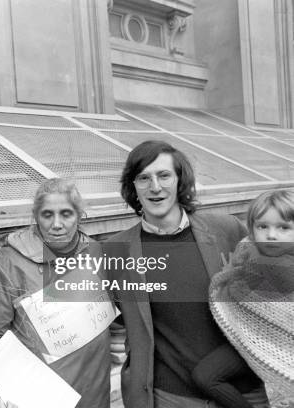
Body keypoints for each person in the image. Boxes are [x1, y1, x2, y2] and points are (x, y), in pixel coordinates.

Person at [104, 140, 268, 408]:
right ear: (133, 186)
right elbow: (92, 320)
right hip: (171, 398)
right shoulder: (116, 251)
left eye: (164, 175)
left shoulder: (227, 230)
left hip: (243, 393)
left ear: (180, 180)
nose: (155, 187)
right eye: (143, 178)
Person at [0, 178, 113, 408]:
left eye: (66, 214)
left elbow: (110, 310)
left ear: (80, 216)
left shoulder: (97, 252)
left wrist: (119, 339)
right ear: (35, 216)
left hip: (96, 392)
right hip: (39, 397)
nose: (57, 224)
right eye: (47, 214)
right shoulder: (8, 263)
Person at [209, 190, 294, 407]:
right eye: (262, 226)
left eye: (283, 227)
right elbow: (232, 289)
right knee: (205, 376)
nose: (271, 235)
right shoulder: (246, 253)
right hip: (248, 337)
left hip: (284, 346)